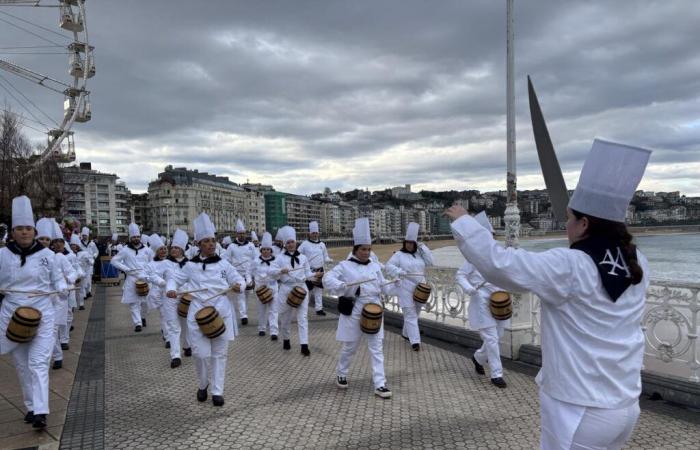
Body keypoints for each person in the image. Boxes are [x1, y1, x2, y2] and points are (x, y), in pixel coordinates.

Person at [445, 139, 651, 450]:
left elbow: (502, 265)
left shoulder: (570, 265)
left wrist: (464, 222)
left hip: (579, 409)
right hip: (625, 406)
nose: (565, 226)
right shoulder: (638, 262)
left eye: (568, 219)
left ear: (583, 223)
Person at [0, 196, 68, 428]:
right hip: (12, 314)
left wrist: (60, 288)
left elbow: (58, 281)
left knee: (38, 362)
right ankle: (30, 406)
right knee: (20, 364)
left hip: (41, 314)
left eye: (28, 228)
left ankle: (40, 411)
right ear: (13, 232)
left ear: (34, 231)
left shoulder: (48, 256)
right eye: (20, 229)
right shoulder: (2, 255)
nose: (25, 232)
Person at [166, 213, 244, 407]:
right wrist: (171, 289)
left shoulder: (224, 264)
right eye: (206, 241)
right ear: (198, 244)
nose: (211, 244)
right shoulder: (190, 266)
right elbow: (174, 279)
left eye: (213, 241)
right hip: (197, 312)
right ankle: (203, 383)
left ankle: (217, 391)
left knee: (220, 354)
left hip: (221, 312)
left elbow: (239, 279)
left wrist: (238, 286)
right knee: (200, 354)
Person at [323, 218, 398, 398]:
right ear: (355, 249)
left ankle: (380, 384)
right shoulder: (344, 265)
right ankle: (341, 373)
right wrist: (349, 286)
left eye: (368, 249)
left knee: (377, 347)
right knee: (350, 346)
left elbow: (383, 287)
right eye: (363, 249)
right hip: (355, 308)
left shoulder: (375, 266)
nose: (366, 253)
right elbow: (327, 279)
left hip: (375, 308)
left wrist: (395, 285)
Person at [455, 212, 509, 388]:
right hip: (481, 300)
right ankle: (496, 374)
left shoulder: (499, 254)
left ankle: (478, 358)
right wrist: (470, 289)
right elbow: (460, 275)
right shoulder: (473, 258)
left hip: (499, 301)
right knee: (492, 339)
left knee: (498, 336)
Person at [385, 222, 433, 351]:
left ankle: (406, 334)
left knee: (415, 313)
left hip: (420, 287)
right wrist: (399, 272)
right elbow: (388, 267)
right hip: (405, 286)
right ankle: (415, 342)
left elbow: (430, 262)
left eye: (412, 243)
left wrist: (423, 247)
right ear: (405, 243)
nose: (410, 245)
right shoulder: (398, 255)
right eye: (408, 242)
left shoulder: (419, 254)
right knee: (410, 314)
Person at [271, 226, 313, 356]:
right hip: (286, 288)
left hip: (301, 288)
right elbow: (270, 272)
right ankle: (286, 338)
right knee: (285, 317)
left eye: (292, 242)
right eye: (288, 242)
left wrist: (315, 275)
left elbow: (308, 273)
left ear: (296, 243)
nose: (290, 244)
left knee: (303, 317)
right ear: (285, 244)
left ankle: (304, 345)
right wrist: (279, 271)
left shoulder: (304, 258)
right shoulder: (279, 258)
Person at [144, 235, 180, 367]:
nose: (163, 251)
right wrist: (159, 282)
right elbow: (146, 275)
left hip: (174, 293)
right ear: (156, 251)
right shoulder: (151, 264)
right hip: (158, 294)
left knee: (174, 318)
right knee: (165, 316)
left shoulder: (173, 262)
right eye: (160, 249)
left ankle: (179, 342)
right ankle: (168, 338)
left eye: (165, 248)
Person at [49, 220, 81, 370]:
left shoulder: (61, 257)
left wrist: (67, 283)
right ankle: (56, 353)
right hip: (41, 298)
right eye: (54, 242)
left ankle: (62, 346)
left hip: (61, 295)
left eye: (60, 242)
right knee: (48, 331)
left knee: (58, 323)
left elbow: (74, 272)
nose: (57, 245)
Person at [111, 223, 153, 332]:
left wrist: (150, 273)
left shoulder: (147, 250)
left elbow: (152, 263)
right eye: (134, 237)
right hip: (131, 278)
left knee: (145, 302)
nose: (136, 238)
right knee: (133, 302)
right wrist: (126, 269)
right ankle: (137, 323)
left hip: (145, 278)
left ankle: (143, 317)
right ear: (130, 238)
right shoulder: (125, 250)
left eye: (138, 237)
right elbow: (114, 260)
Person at [165, 229, 192, 358]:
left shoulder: (190, 264)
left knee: (186, 323)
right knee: (174, 326)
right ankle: (175, 355)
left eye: (176, 248)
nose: (173, 250)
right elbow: (150, 274)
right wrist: (161, 283)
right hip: (170, 298)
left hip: (186, 298)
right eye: (172, 247)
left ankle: (187, 346)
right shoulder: (165, 263)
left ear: (182, 249)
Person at [224, 219, 256, 326]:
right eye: (240, 233)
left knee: (246, 295)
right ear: (236, 234)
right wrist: (230, 268)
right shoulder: (231, 246)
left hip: (248, 274)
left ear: (245, 234)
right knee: (240, 295)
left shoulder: (251, 246)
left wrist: (253, 273)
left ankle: (244, 312)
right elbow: (226, 260)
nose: (242, 235)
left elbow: (255, 259)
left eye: (243, 233)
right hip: (237, 274)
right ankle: (243, 316)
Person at [298, 221, 333, 316]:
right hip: (309, 271)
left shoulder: (322, 245)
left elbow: (325, 256)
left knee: (318, 291)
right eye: (313, 233)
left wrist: (329, 260)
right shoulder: (304, 244)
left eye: (316, 233)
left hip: (320, 270)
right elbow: (298, 255)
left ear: (318, 233)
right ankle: (303, 310)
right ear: (310, 233)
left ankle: (319, 309)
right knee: (306, 291)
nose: (315, 234)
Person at [251, 232, 278, 337]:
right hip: (260, 289)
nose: (266, 251)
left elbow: (279, 276)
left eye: (268, 249)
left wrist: (278, 274)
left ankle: (274, 331)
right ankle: (262, 328)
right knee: (261, 310)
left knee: (273, 311)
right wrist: (249, 279)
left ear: (271, 250)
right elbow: (249, 272)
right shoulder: (255, 261)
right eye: (264, 249)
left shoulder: (276, 261)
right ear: (261, 250)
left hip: (273, 289)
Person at [80, 227, 98, 297]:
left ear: (88, 236)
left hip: (90, 263)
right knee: (84, 278)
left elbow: (96, 251)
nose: (84, 236)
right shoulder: (79, 243)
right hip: (82, 263)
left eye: (85, 235)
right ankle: (84, 293)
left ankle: (89, 291)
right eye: (83, 235)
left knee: (89, 277)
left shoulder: (92, 243)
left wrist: (94, 256)